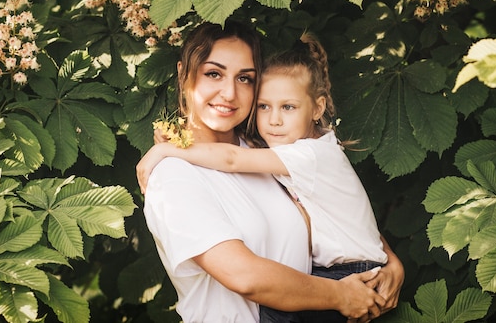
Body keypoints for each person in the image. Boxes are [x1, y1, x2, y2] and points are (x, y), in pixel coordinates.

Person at [137, 21, 403, 323]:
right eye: (214, 73)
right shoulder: (173, 176)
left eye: (245, 79)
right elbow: (244, 275)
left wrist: (391, 263)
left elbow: (334, 207)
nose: (229, 92)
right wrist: (341, 295)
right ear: (184, 74)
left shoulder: (263, 149)